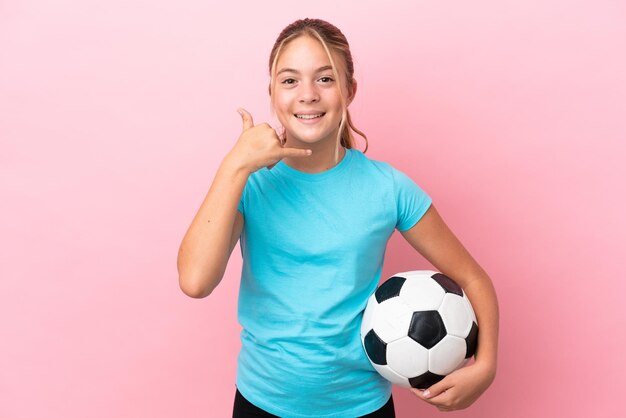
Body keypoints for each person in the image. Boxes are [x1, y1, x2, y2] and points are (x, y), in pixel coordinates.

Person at [177, 18, 499, 418]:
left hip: (361, 407)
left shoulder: (388, 188)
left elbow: (472, 279)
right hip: (261, 403)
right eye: (290, 80)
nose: (307, 95)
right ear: (272, 94)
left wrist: (484, 367)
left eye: (325, 79)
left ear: (350, 90)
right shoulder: (250, 184)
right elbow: (195, 281)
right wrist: (234, 167)